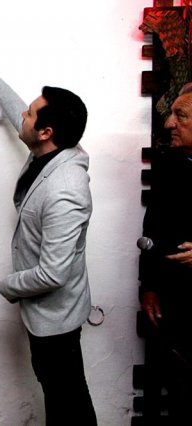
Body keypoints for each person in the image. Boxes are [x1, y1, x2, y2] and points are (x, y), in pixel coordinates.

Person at [0, 48, 97, 426]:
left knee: (68, 402)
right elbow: (21, 117)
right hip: (46, 316)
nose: (23, 116)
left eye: (31, 114)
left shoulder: (65, 190)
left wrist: (8, 286)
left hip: (55, 319)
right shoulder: (52, 147)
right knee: (61, 396)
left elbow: (52, 273)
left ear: (46, 133)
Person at [139, 83, 192, 424]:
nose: (169, 123)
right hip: (175, 307)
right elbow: (152, 230)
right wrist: (149, 286)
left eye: (180, 115)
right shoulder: (169, 164)